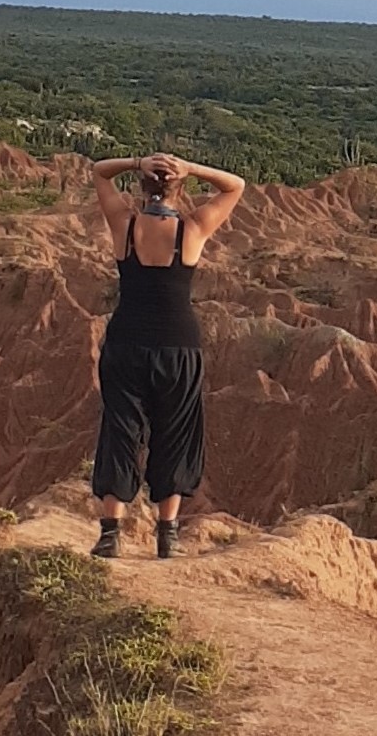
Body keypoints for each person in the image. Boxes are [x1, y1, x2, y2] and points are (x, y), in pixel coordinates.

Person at [88, 151, 246, 559]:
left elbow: (99, 172)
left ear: (142, 185)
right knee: (175, 432)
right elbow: (236, 185)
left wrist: (137, 160)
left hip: (125, 343)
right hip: (178, 346)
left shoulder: (124, 225)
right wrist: (192, 168)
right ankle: (168, 534)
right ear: (180, 188)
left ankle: (110, 533)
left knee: (121, 430)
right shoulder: (192, 229)